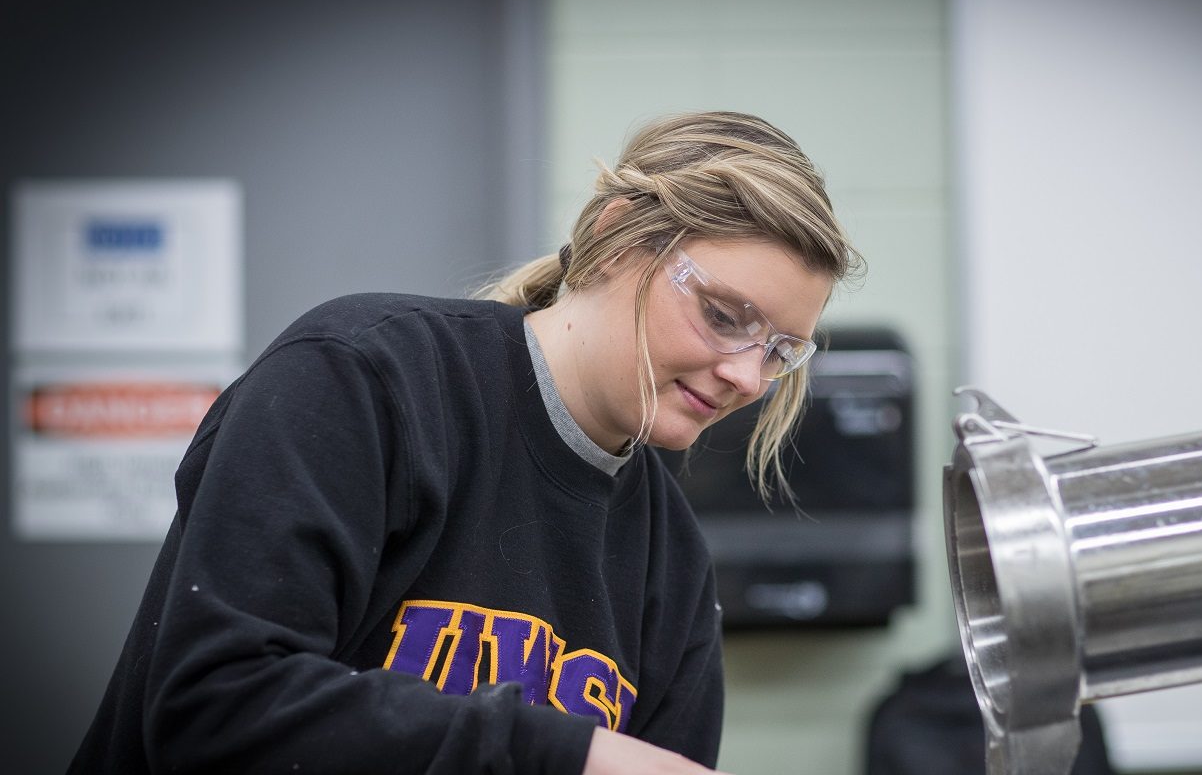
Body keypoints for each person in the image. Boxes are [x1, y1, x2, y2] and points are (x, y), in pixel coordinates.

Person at [69, 111, 864, 774]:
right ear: (621, 240)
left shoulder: (671, 559)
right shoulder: (364, 378)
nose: (748, 378)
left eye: (780, 351)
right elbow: (213, 708)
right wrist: (571, 756)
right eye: (727, 318)